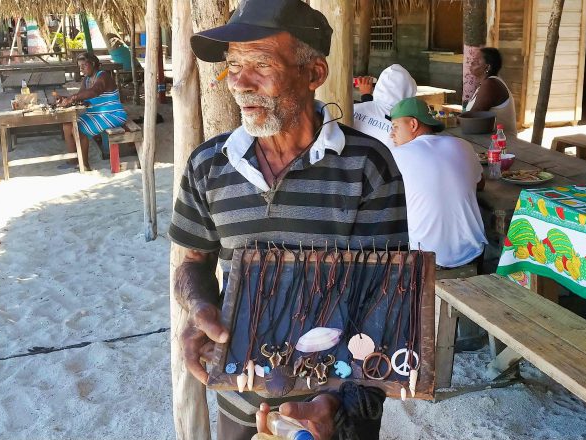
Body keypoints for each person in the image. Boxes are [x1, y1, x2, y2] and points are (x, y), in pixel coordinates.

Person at [171, 0, 408, 438]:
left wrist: (337, 404)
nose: (239, 82)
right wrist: (200, 307)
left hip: (336, 395)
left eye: (261, 64)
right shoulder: (209, 165)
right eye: (233, 65)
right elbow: (193, 262)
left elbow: (386, 297)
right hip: (239, 389)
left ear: (313, 73)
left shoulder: (366, 166)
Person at [388, 97, 487, 271]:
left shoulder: (396, 155)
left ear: (412, 125)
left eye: (395, 126)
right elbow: (480, 183)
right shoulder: (462, 145)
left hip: (427, 260)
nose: (391, 134)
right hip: (473, 253)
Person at [57, 52, 127, 170]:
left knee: (80, 130)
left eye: (84, 65)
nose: (81, 69)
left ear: (93, 64)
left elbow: (95, 91)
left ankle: (84, 164)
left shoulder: (103, 76)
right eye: (80, 66)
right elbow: (81, 96)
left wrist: (72, 98)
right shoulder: (86, 80)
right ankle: (73, 159)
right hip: (96, 114)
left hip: (112, 114)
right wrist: (65, 99)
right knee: (67, 125)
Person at [352, 64, 417, 150]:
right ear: (409, 91)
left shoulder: (353, 109)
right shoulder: (404, 130)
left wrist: (366, 95)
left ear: (379, 85)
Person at [464, 47, 518, 136]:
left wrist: (450, 120)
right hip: (489, 141)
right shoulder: (485, 83)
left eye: (477, 60)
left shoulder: (491, 84)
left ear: (488, 67)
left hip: (502, 144)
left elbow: (473, 116)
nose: (472, 63)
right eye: (473, 60)